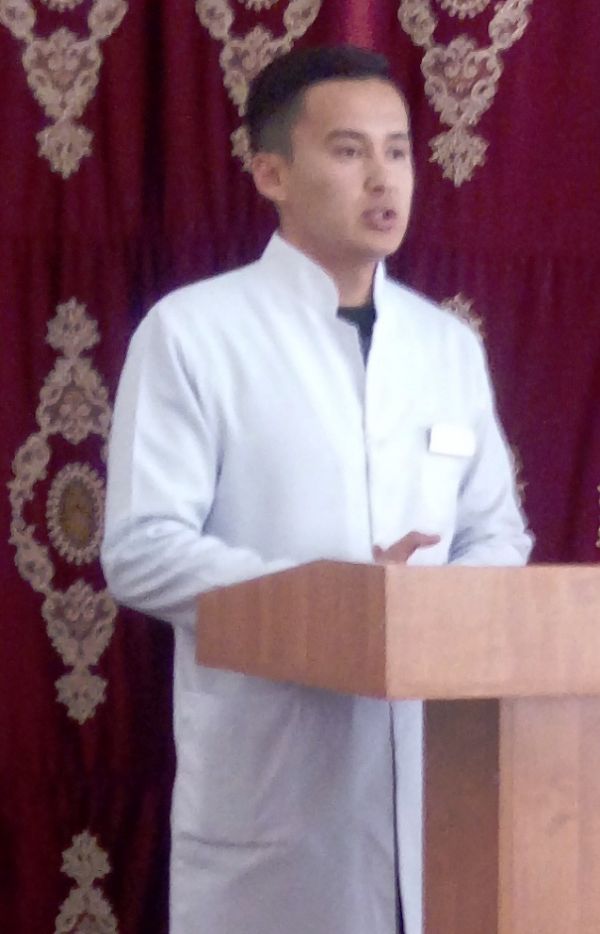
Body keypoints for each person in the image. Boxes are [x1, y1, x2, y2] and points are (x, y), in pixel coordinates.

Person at [101, 45, 532, 934]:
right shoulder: (194, 333)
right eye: (348, 151)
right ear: (271, 173)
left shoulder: (446, 347)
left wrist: (426, 611)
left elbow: (496, 532)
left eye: (398, 150)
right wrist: (335, 601)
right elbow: (141, 550)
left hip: (438, 785)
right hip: (275, 798)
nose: (383, 178)